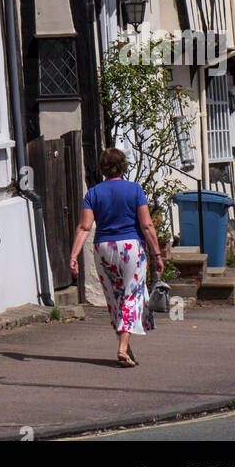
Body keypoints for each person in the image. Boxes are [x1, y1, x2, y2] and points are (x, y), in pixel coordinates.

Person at [69, 147, 164, 367]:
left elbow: (84, 227)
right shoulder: (135, 190)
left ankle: (126, 348)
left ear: (102, 168)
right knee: (132, 296)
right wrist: (157, 253)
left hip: (103, 248)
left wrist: (74, 256)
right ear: (123, 166)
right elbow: (147, 224)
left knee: (114, 300)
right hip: (131, 247)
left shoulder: (93, 193)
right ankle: (122, 348)